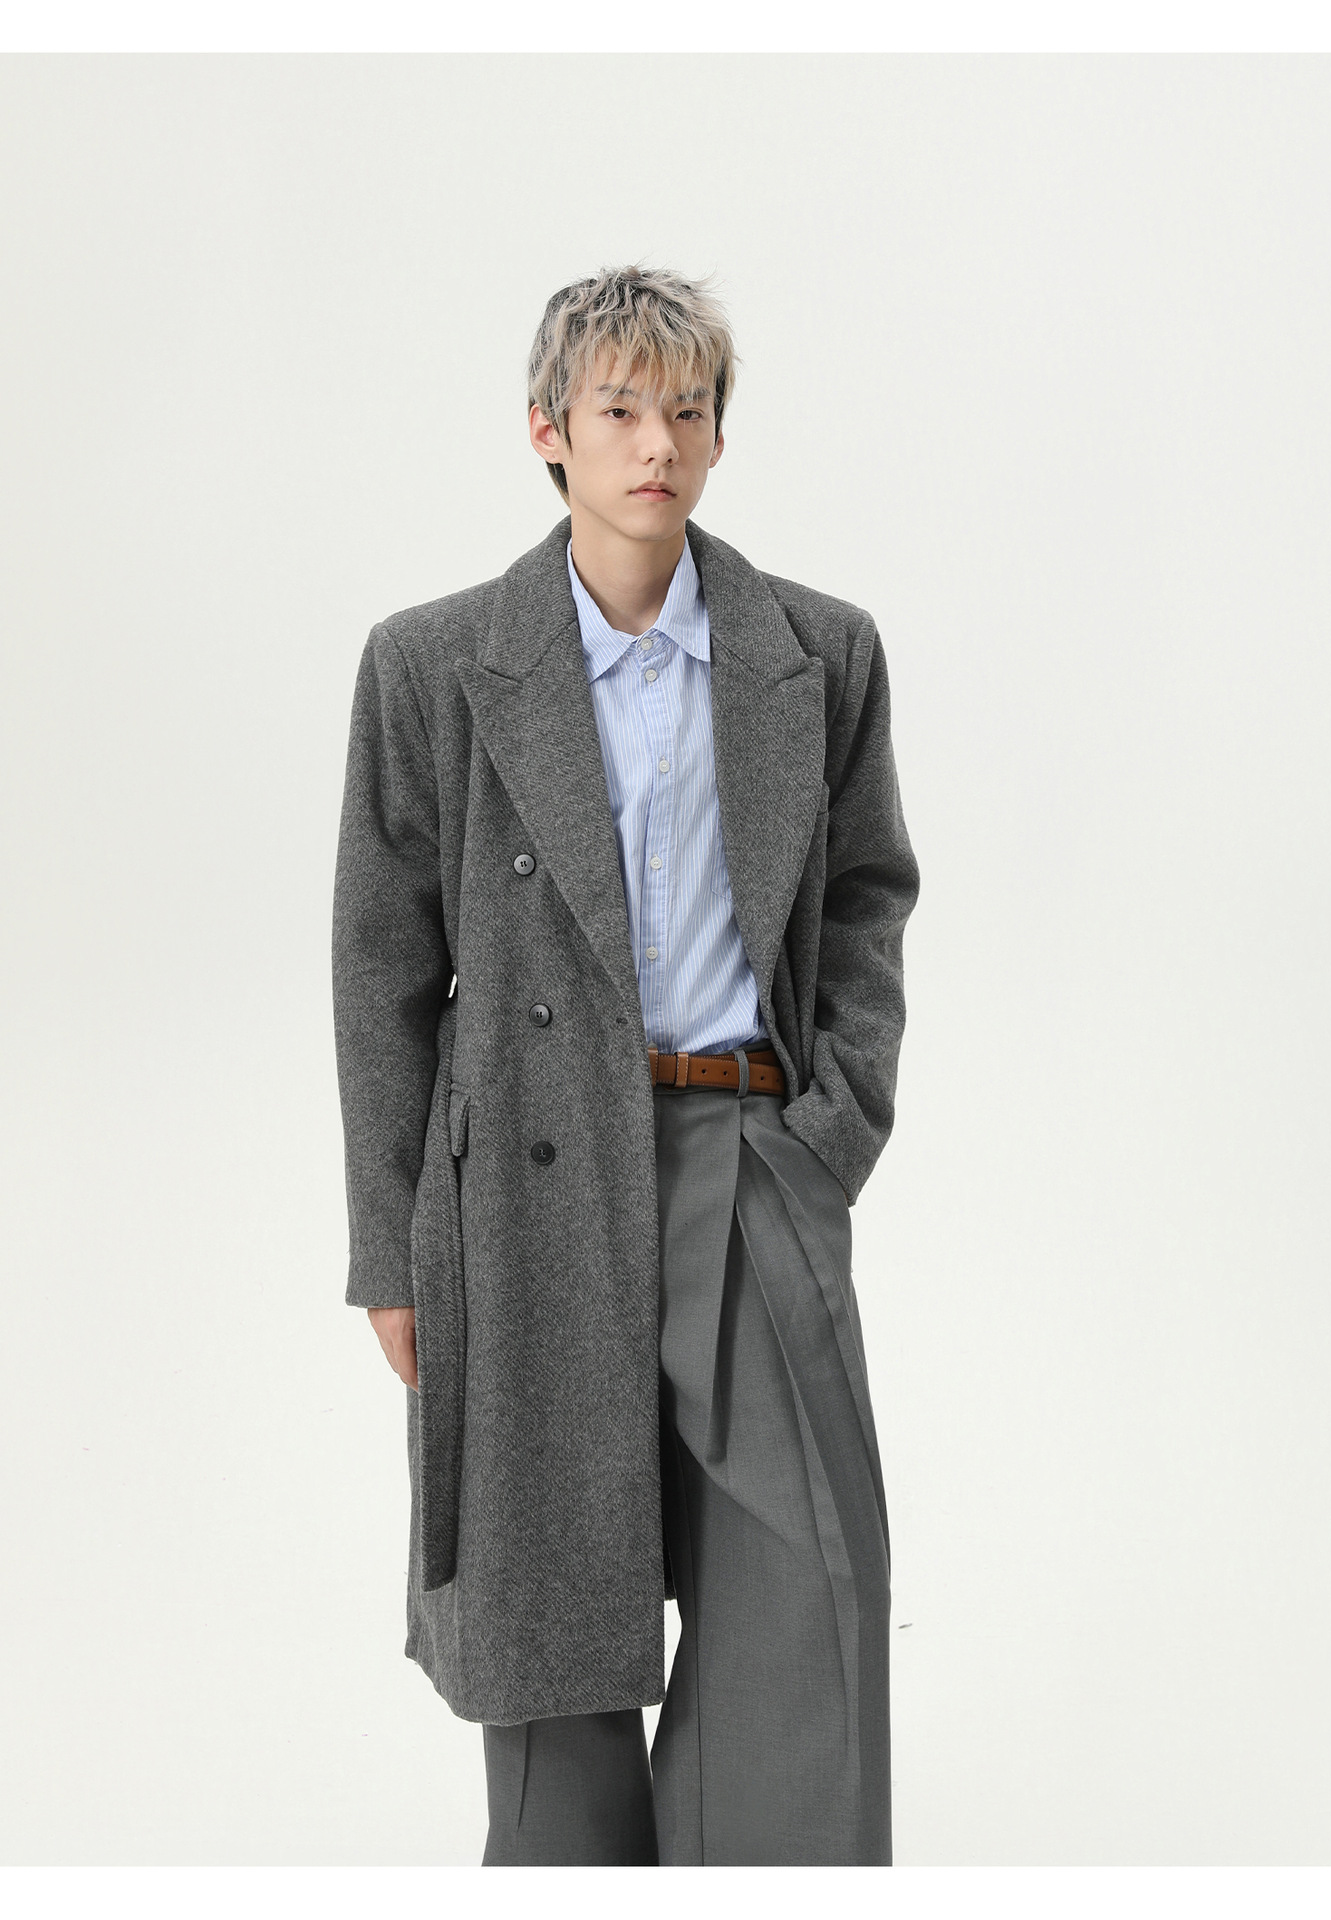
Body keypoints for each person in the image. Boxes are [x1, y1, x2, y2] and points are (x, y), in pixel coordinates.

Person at [332, 264, 920, 1865]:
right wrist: (392, 1250)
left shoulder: (820, 654)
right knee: (552, 1644)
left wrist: (830, 1131)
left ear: (719, 436)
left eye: (687, 410)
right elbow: (383, 975)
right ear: (549, 430)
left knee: (807, 1619)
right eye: (620, 409)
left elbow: (868, 903)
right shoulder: (433, 667)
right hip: (524, 1188)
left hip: (751, 1164)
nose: (657, 442)